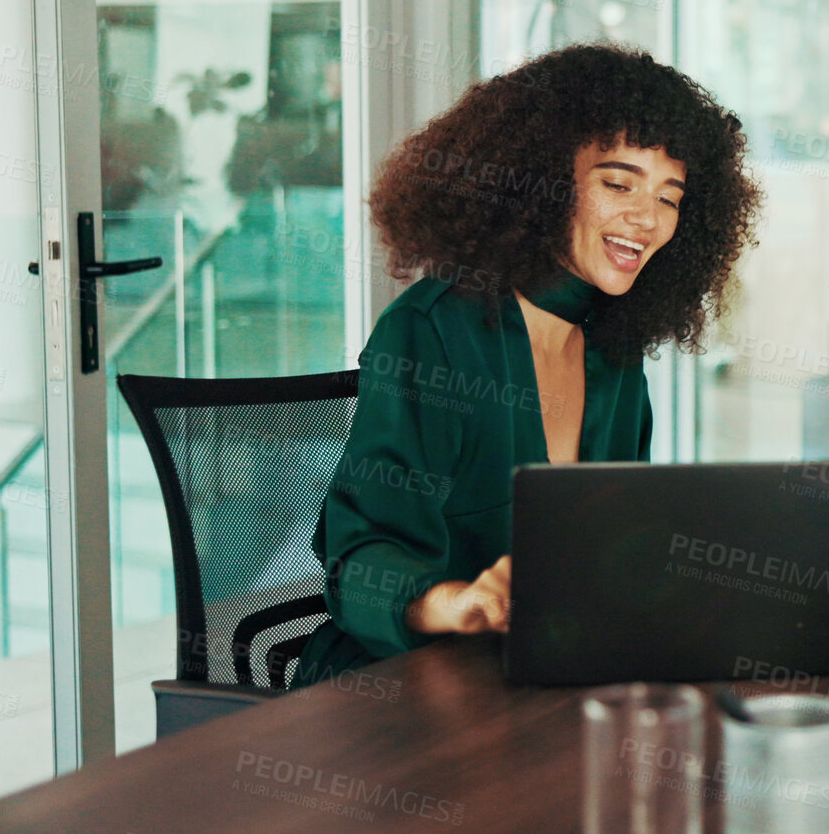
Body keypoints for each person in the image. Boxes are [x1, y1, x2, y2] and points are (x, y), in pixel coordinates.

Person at [293, 45, 760, 685]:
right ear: (540, 182)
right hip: (405, 682)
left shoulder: (614, 348)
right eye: (618, 183)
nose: (646, 219)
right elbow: (361, 562)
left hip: (544, 673)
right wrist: (459, 604)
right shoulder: (432, 333)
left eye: (669, 198)